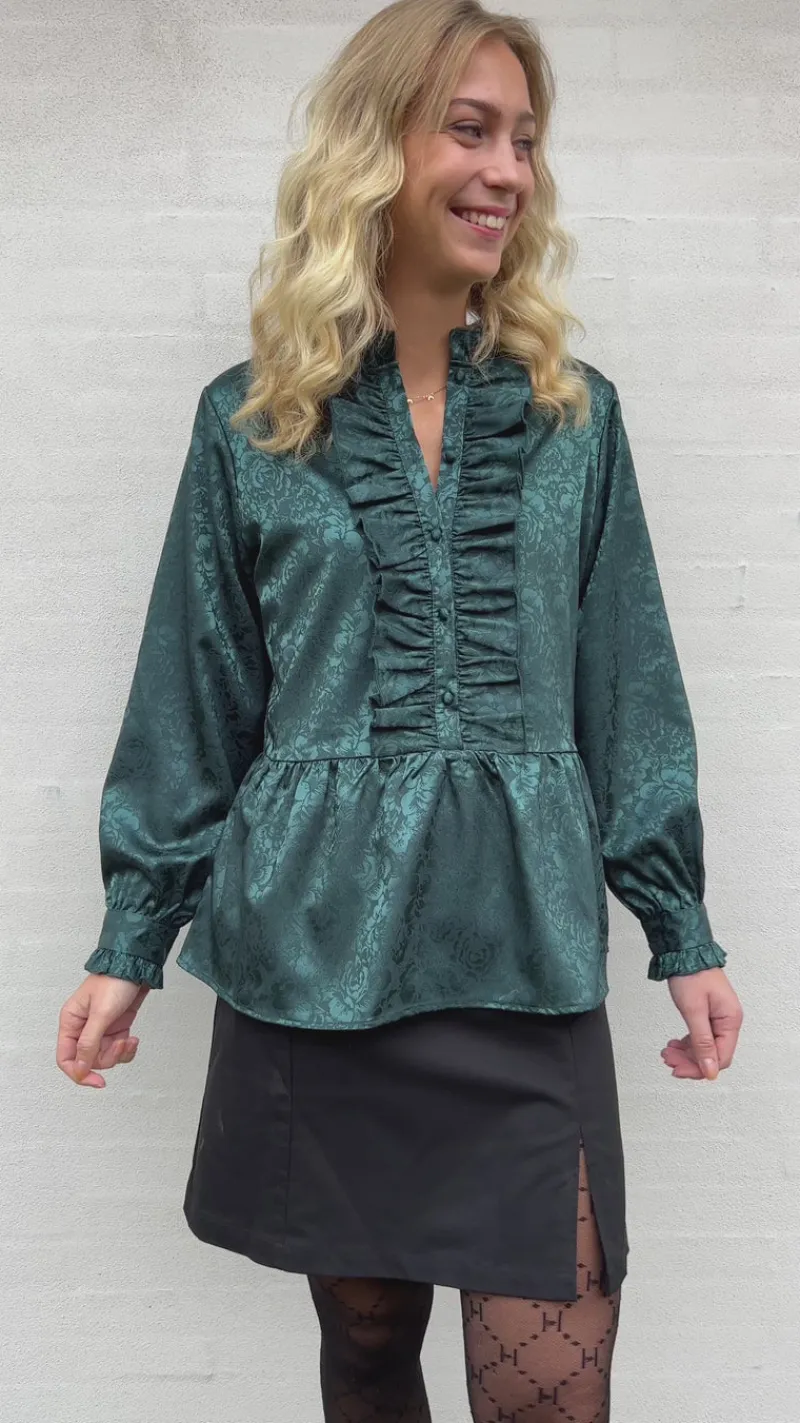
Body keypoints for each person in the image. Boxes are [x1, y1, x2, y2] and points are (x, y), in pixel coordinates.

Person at [56, 1, 744, 1418]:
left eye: (525, 142)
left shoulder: (576, 420)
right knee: (369, 1354)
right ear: (374, 150)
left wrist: (679, 923)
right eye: (471, 130)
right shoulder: (251, 423)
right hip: (319, 958)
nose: (507, 172)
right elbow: (197, 694)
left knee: (550, 1387)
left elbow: (629, 683)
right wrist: (132, 938)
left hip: (524, 952)